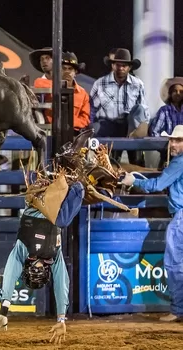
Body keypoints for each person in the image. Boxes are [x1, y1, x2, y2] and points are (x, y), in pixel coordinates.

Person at [0, 179, 85, 345]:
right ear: (46, 273)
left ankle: (72, 185)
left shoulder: (23, 250)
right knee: (63, 219)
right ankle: (79, 184)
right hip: (56, 205)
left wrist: (4, 312)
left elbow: (10, 275)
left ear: (27, 269)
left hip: (36, 200)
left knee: (61, 220)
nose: (37, 271)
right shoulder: (53, 258)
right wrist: (61, 319)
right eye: (39, 274)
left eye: (34, 273)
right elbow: (61, 285)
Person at [121, 124, 183, 322]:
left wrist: (133, 182)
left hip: (181, 217)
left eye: (177, 140)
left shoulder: (179, 162)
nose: (172, 143)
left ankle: (177, 310)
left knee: (174, 263)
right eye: (172, 139)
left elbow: (156, 185)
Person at [89, 48, 149, 166]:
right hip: (108, 125)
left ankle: (137, 133)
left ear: (129, 68)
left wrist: (144, 125)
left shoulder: (138, 84)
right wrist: (92, 126)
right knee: (110, 162)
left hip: (130, 125)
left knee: (139, 109)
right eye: (118, 65)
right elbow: (92, 109)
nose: (121, 68)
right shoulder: (100, 83)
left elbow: (143, 108)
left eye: (124, 66)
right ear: (113, 65)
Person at [30, 50, 90, 133]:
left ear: (75, 72)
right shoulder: (43, 82)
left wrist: (69, 122)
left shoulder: (83, 93)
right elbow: (39, 83)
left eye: (70, 69)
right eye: (64, 68)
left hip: (73, 132)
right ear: (58, 71)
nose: (67, 71)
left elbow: (85, 119)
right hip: (51, 132)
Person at [149, 77, 183, 169]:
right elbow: (154, 132)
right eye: (175, 91)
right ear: (170, 93)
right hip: (169, 151)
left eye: (181, 91)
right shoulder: (164, 111)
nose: (178, 94)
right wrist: (164, 145)